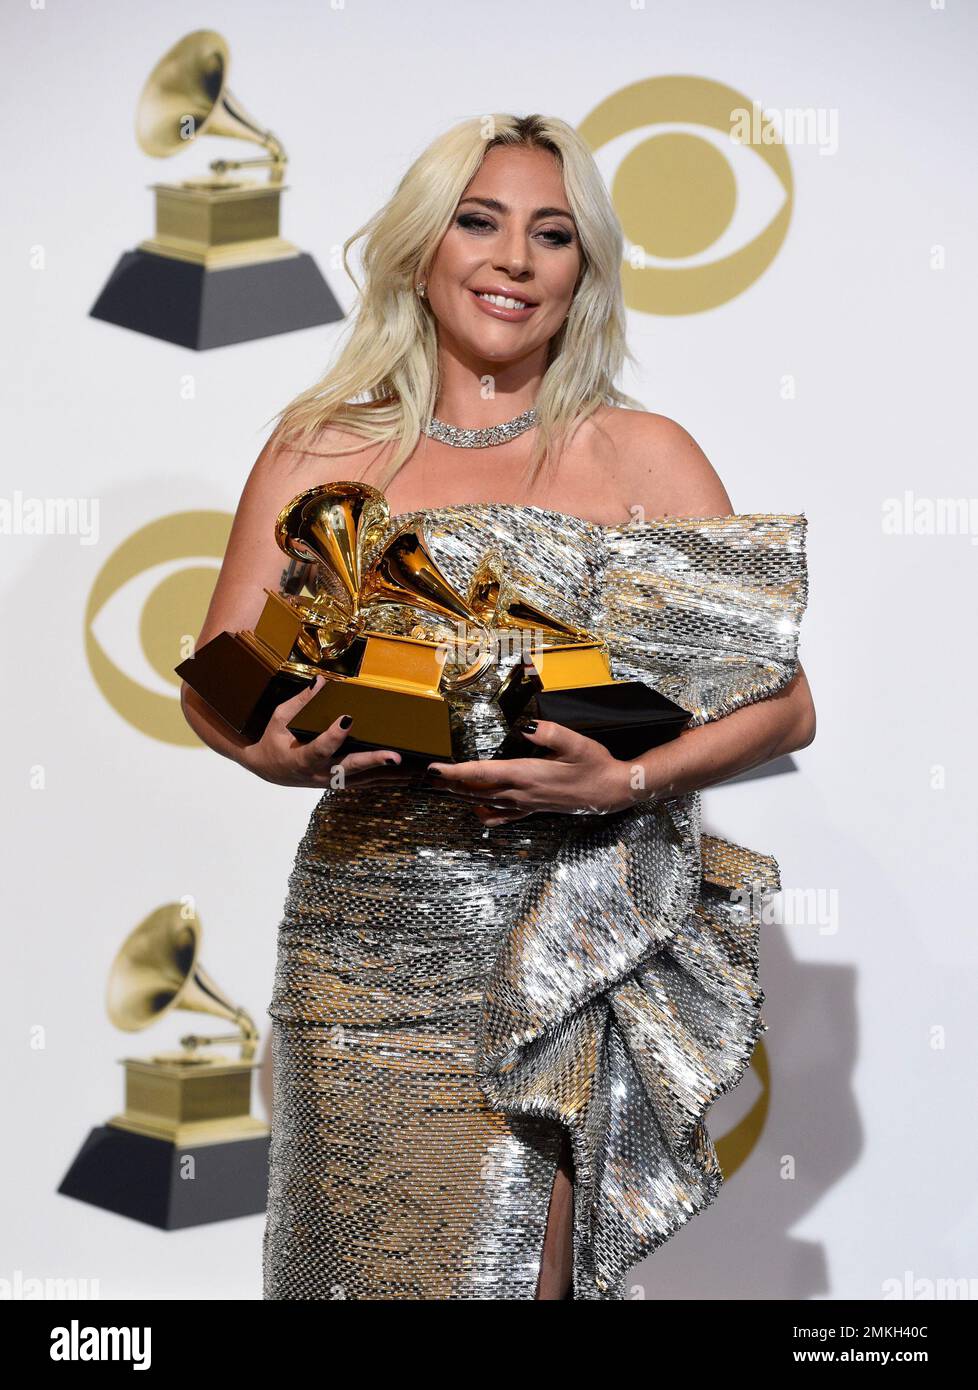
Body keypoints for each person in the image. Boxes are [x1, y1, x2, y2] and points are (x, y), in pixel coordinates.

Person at [179, 112, 814, 1301]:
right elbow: (216, 677)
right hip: (359, 952)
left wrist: (622, 779)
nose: (514, 258)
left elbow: (782, 707)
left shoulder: (639, 452)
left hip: (564, 942)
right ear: (424, 248)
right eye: (480, 221)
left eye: (553, 233)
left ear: (585, 271)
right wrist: (271, 751)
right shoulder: (322, 447)